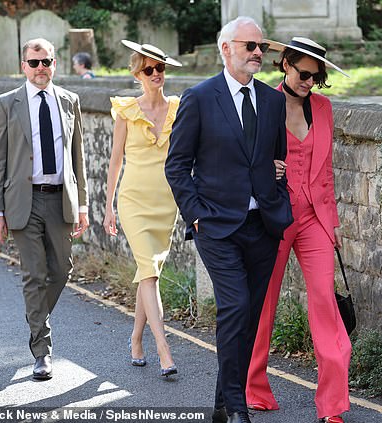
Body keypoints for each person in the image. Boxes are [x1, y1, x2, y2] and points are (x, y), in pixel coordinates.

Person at [165, 16, 292, 423]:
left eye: (262, 47)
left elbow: (278, 159)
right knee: (235, 307)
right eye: (250, 46)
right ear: (226, 49)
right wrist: (196, 215)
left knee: (249, 319)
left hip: (264, 226)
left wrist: (278, 196)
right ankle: (238, 409)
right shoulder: (200, 98)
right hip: (217, 226)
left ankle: (222, 402)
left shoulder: (273, 102)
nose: (258, 53)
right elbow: (177, 165)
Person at [244, 37, 351, 423]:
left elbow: (326, 173)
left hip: (314, 220)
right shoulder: (261, 103)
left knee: (324, 300)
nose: (309, 82)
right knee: (263, 304)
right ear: (285, 65)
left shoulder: (323, 108)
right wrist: (264, 172)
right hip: (273, 218)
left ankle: (333, 405)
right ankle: (254, 388)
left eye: (316, 77)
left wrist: (333, 222)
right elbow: (241, 160)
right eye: (303, 74)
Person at [0, 38, 89, 381]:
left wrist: (84, 204)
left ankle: (35, 319)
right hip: (23, 200)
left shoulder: (70, 101)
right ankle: (42, 351)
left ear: (54, 64)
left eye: (46, 62)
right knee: (34, 274)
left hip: (60, 198)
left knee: (61, 270)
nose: (40, 68)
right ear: (23, 66)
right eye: (34, 63)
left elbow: (79, 158)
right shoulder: (6, 104)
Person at [103, 40, 181, 377]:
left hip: (166, 202)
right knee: (148, 273)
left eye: (160, 68)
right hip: (133, 200)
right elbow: (115, 161)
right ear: (138, 73)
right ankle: (164, 350)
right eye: (148, 69)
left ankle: (136, 340)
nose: (155, 74)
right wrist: (108, 207)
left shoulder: (179, 108)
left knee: (148, 275)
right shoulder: (125, 111)